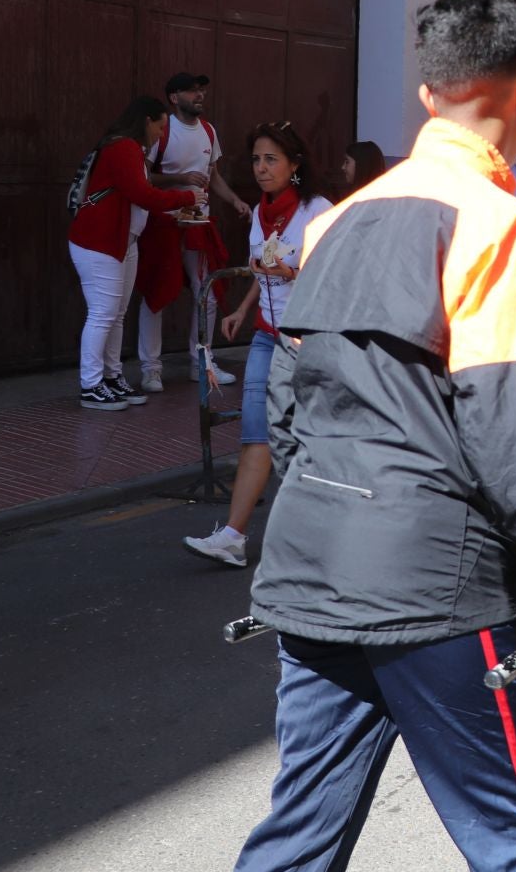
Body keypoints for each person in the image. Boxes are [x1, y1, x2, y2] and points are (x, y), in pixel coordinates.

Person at [206, 0, 516, 872]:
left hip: (311, 561)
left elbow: (293, 405)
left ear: (429, 95)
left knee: (297, 829)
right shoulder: (506, 225)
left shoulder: (337, 221)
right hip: (437, 582)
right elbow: (513, 442)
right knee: (515, 834)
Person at [182, 123, 332, 569]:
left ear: (294, 164)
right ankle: (233, 537)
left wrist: (293, 274)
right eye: (256, 160)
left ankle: (329, 536)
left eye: (271, 159)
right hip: (267, 336)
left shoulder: (318, 211)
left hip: (310, 341)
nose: (261, 168)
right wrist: (243, 308)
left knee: (311, 441)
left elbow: (335, 274)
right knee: (255, 434)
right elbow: (261, 268)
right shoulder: (261, 212)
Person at [66, 97, 204, 409]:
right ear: (146, 121)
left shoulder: (129, 148)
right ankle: (91, 385)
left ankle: (112, 377)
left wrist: (173, 214)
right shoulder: (123, 147)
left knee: (116, 314)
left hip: (121, 242)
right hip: (100, 243)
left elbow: (137, 201)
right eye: (160, 126)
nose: (161, 134)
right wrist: (186, 197)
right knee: (103, 314)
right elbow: (142, 194)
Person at [137, 72, 250, 392]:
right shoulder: (163, 130)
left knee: (208, 293)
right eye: (191, 91)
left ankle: (201, 363)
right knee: (157, 293)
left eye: (201, 90)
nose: (199, 95)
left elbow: (213, 176)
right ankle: (151, 369)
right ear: (174, 98)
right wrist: (180, 179)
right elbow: (143, 176)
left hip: (199, 224)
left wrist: (234, 200)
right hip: (163, 223)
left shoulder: (209, 131)